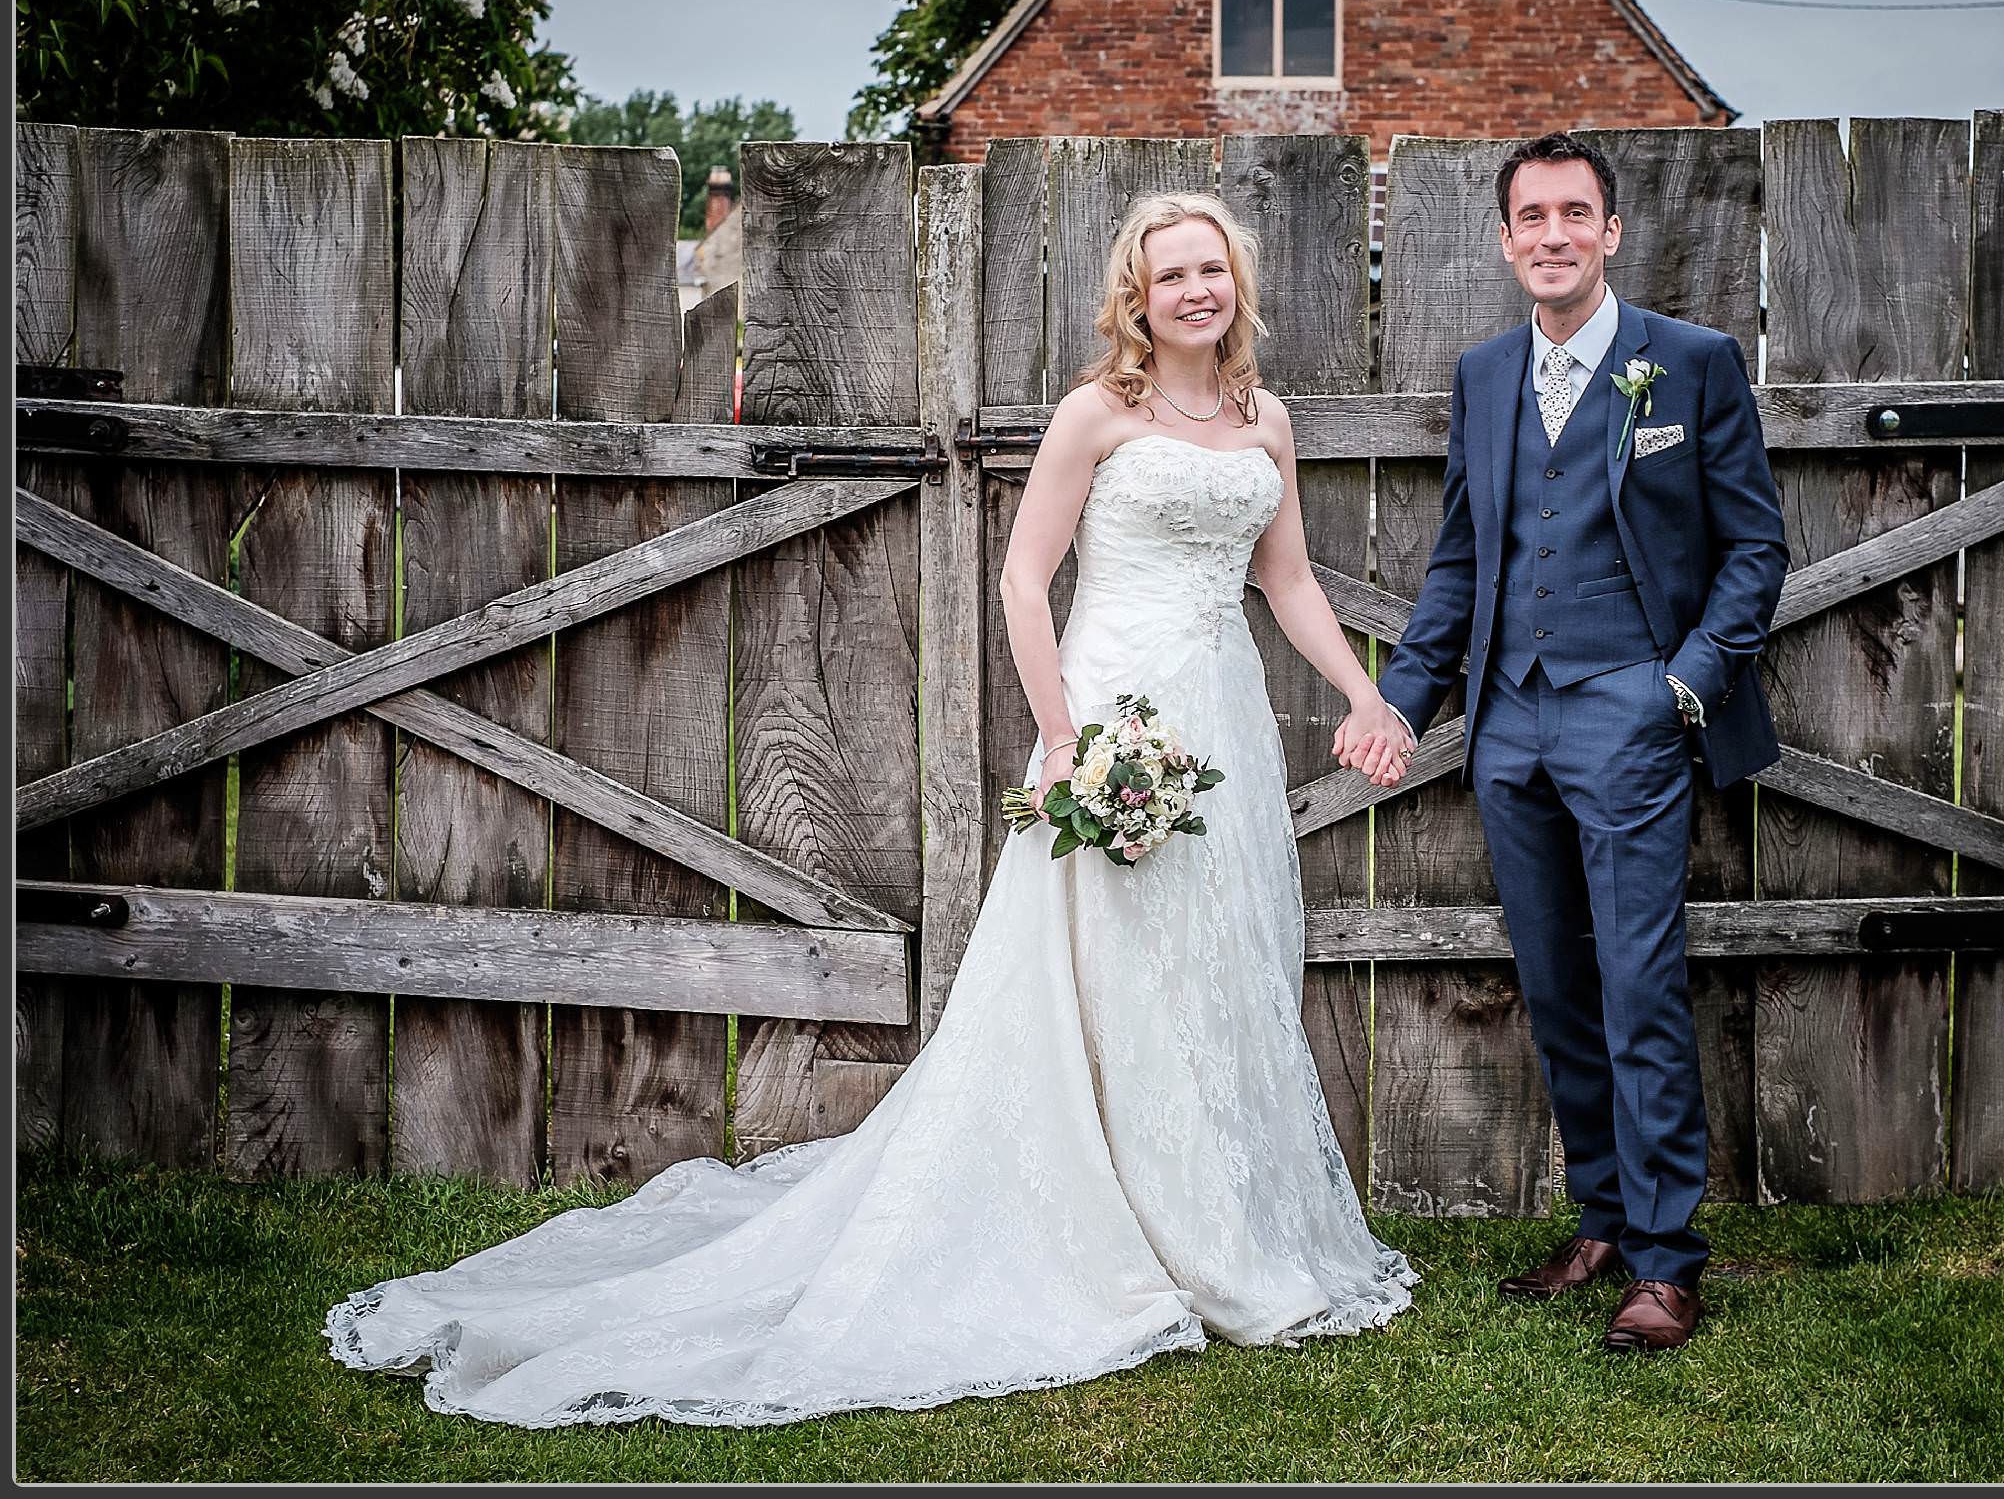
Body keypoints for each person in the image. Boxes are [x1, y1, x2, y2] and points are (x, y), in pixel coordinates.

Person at [324, 190, 1419, 1428]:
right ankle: (1113, 1225)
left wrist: (1359, 693)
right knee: (1107, 965)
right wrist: (1065, 737)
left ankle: (1215, 1221)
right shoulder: (1096, 413)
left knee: (1208, 967)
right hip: (1115, 711)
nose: (1196, 293)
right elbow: (1022, 576)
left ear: (1238, 282)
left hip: (1216, 713)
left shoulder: (1265, 420)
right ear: (1137, 294)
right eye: (1172, 276)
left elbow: (1285, 581)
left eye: (1211, 271)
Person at [1344, 132, 1788, 1352]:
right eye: (1530, 216)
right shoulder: (1486, 373)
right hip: (1509, 728)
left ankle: (1665, 1260)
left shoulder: (1688, 366)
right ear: (1504, 238)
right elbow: (1462, 560)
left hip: (1631, 713)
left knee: (1639, 982)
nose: (1551, 234)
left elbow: (1755, 548)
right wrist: (1405, 699)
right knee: (1553, 982)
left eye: (1573, 214)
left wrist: (1681, 688)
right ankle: (1600, 1216)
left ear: (1610, 232)